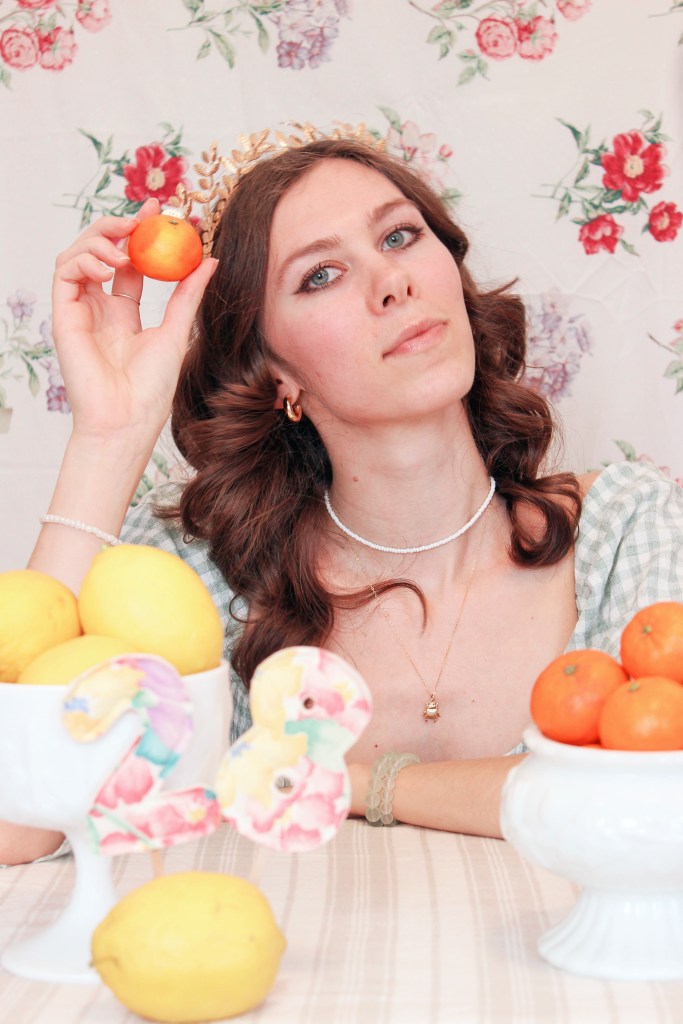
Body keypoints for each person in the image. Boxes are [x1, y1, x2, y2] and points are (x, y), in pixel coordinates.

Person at [3, 129, 683, 865]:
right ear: (274, 375)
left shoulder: (622, 532)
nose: (391, 283)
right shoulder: (193, 577)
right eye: (320, 275)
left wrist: (351, 782)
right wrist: (110, 436)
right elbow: (17, 823)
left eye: (399, 235)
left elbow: (653, 805)